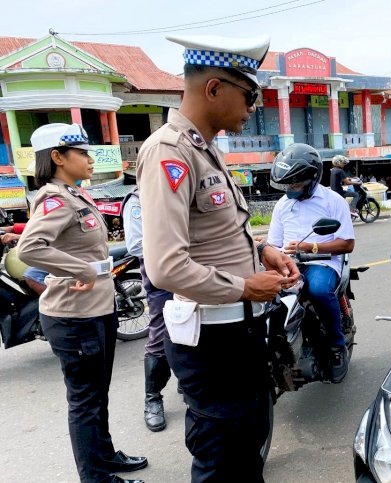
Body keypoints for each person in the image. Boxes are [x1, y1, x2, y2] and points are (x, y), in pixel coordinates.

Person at [136, 35, 299, 482]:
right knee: (222, 460)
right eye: (248, 96)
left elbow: (217, 231)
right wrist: (246, 285)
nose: (252, 107)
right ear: (213, 89)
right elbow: (166, 266)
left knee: (247, 449)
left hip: (236, 330)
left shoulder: (204, 148)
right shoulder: (170, 152)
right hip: (212, 339)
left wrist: (263, 252)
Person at [17, 123, 147, 483]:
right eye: (82, 153)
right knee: (85, 402)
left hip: (97, 309)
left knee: (97, 395)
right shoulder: (54, 200)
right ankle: (96, 477)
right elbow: (29, 248)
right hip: (73, 316)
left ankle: (104, 457)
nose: (91, 160)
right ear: (58, 158)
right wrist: (81, 270)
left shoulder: (76, 194)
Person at [268, 143, 356, 382]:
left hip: (322, 262)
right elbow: (273, 244)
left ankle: (337, 347)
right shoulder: (282, 205)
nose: (290, 189)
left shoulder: (333, 200)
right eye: (287, 184)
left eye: (295, 184)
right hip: (288, 263)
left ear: (312, 177)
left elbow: (347, 243)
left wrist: (309, 247)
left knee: (317, 290)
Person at [122, 188, 174, 432]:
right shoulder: (137, 199)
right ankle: (152, 398)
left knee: (198, 330)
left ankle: (189, 386)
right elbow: (136, 245)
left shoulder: (177, 191)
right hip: (162, 278)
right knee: (160, 337)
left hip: (197, 276)